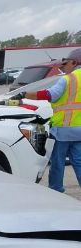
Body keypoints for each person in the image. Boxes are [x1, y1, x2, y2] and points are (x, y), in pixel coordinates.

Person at [19, 48, 81, 193]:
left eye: (65, 65)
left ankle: (56, 190)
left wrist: (25, 94)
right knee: (79, 162)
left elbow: (50, 95)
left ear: (74, 62)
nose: (63, 68)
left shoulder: (69, 79)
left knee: (58, 162)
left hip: (62, 131)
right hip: (79, 131)